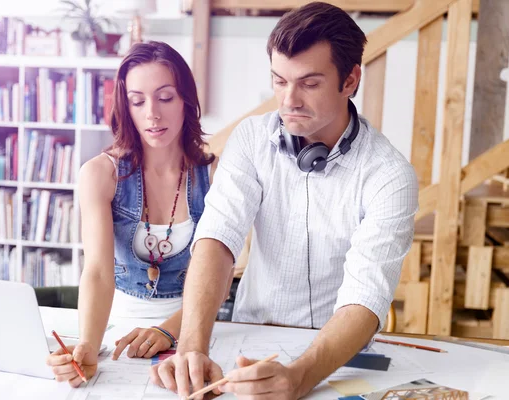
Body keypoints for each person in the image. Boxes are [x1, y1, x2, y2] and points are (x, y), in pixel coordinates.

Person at [151, 2, 419, 399]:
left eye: (309, 84)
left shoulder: (389, 174)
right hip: (251, 340)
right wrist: (191, 346)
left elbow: (367, 294)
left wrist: (300, 377)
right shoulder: (250, 140)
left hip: (334, 359)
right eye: (279, 81)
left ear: (350, 80)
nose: (288, 100)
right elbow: (217, 240)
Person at [45, 40, 230, 388]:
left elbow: (219, 281)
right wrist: (87, 343)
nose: (152, 114)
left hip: (195, 328)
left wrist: (168, 331)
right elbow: (99, 272)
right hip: (118, 330)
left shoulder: (216, 175)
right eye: (137, 100)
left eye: (165, 97)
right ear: (124, 106)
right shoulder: (101, 174)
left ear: (186, 101)